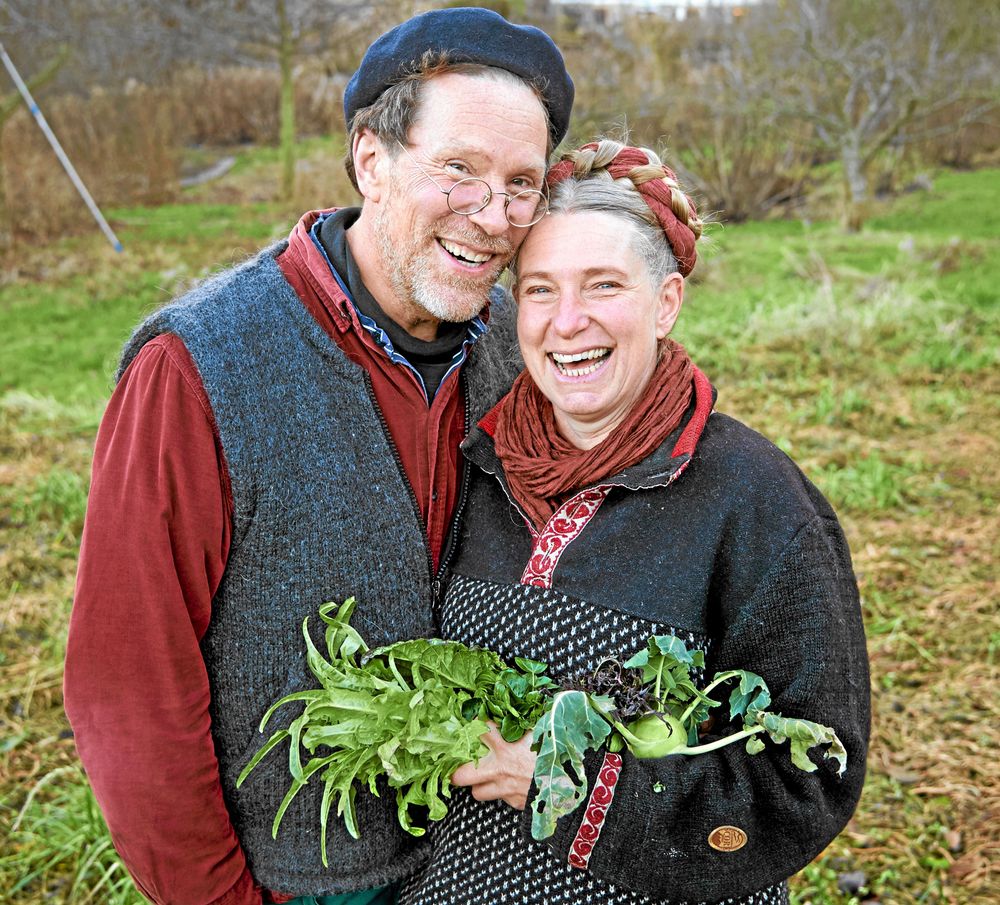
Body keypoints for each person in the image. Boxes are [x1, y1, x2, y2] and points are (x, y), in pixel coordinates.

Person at [63, 8, 573, 905]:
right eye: (458, 170)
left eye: (522, 184)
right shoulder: (199, 365)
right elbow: (130, 690)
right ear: (371, 161)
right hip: (299, 883)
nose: (494, 217)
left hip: (486, 858)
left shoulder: (514, 352)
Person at [399, 140, 870, 905]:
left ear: (667, 301)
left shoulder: (756, 500)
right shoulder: (474, 468)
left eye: (604, 285)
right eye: (541, 290)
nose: (568, 322)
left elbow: (811, 774)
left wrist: (567, 785)